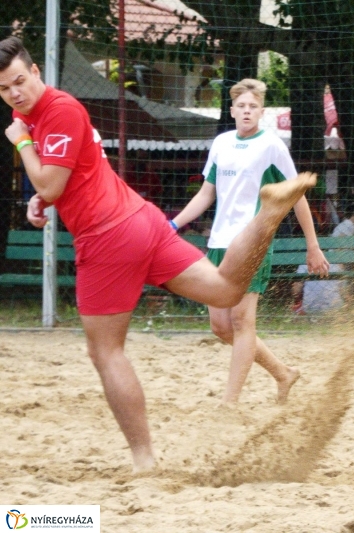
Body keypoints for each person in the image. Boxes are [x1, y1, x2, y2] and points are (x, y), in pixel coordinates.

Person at [0, 36, 317, 473]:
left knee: (105, 353)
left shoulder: (57, 111)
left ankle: (144, 460)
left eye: (20, 81)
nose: (14, 93)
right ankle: (269, 212)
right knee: (225, 293)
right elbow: (68, 177)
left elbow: (50, 182)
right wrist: (42, 200)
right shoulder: (31, 114)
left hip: (108, 238)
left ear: (36, 71)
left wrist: (22, 145)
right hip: (140, 221)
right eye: (4, 88)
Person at [171, 78, 329, 404]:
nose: (246, 111)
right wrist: (172, 223)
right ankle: (283, 373)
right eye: (241, 106)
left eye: (253, 106)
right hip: (219, 243)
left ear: (261, 112)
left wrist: (312, 245)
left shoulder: (271, 146)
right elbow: (206, 194)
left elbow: (296, 195)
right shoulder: (222, 143)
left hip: (253, 242)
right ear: (231, 110)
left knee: (242, 321)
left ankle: (229, 403)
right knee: (220, 326)